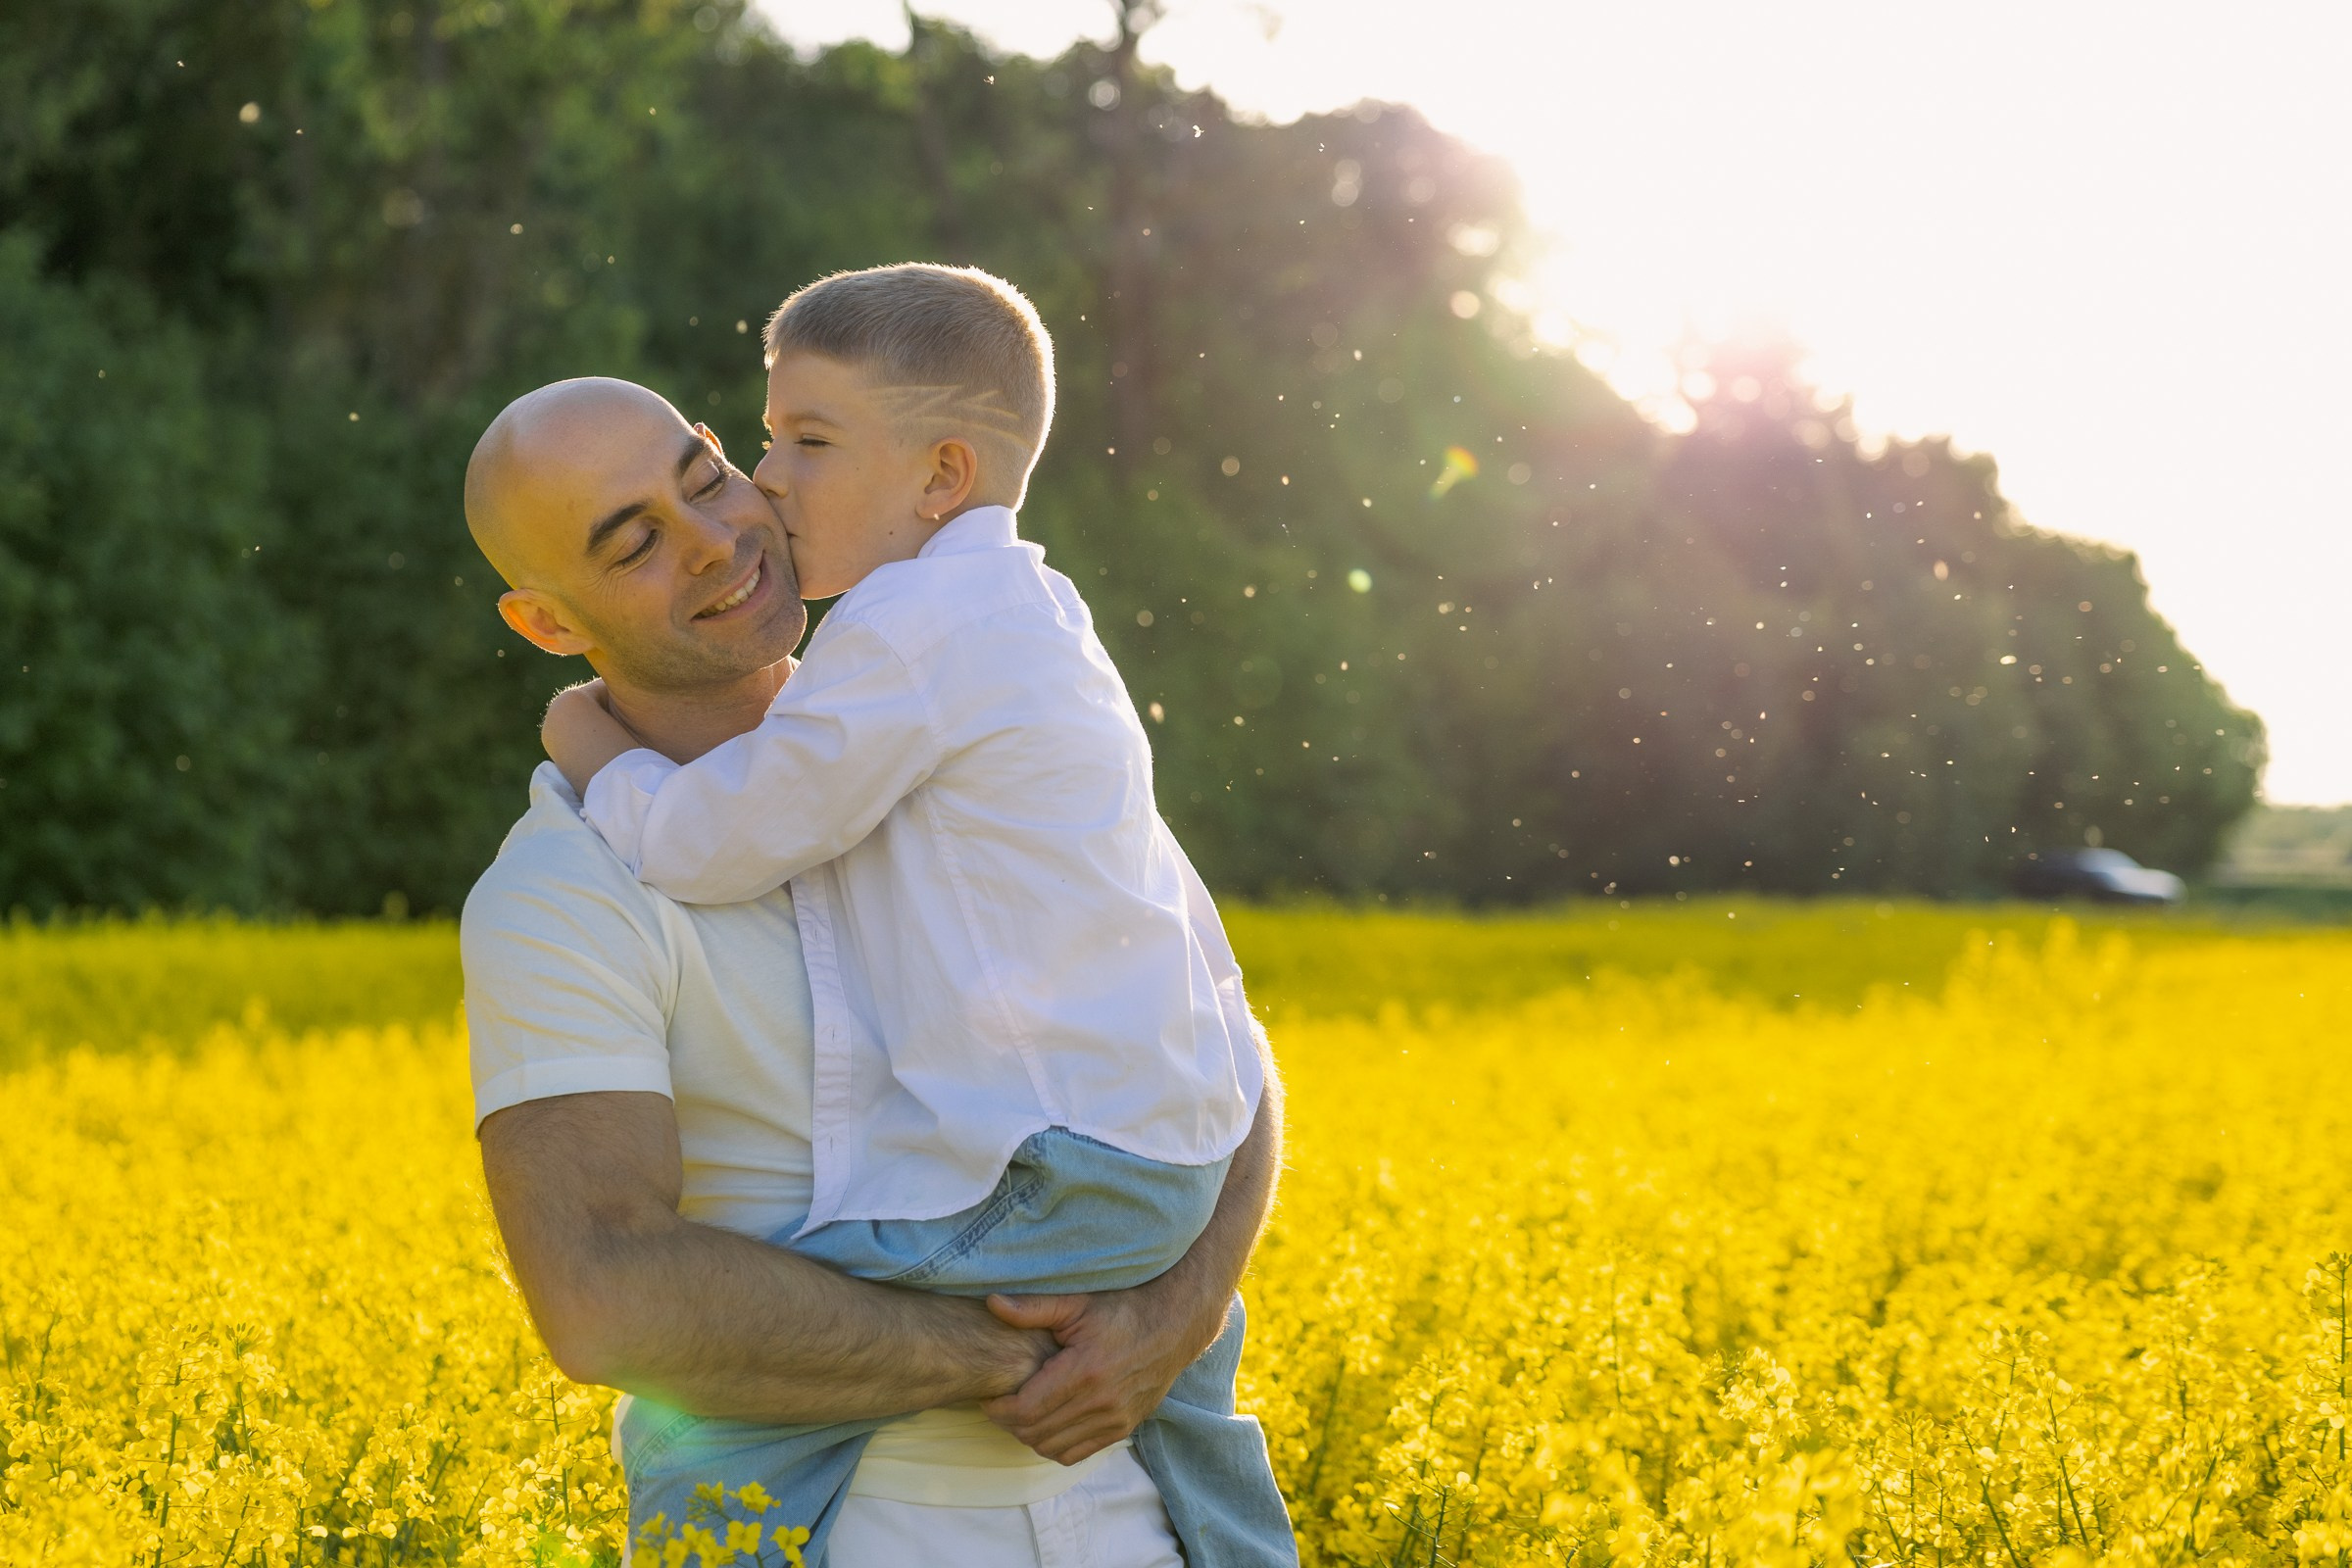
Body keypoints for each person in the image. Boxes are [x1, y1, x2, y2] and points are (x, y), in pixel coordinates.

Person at [462, 366, 1292, 1565]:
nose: (712, 542)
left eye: (705, 479)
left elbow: (1221, 1045)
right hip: (843, 1528)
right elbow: (605, 1290)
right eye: (635, 541)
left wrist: (1174, 1314)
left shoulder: (971, 720)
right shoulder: (562, 891)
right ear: (548, 622)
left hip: (1147, 1511)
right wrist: (1019, 1358)